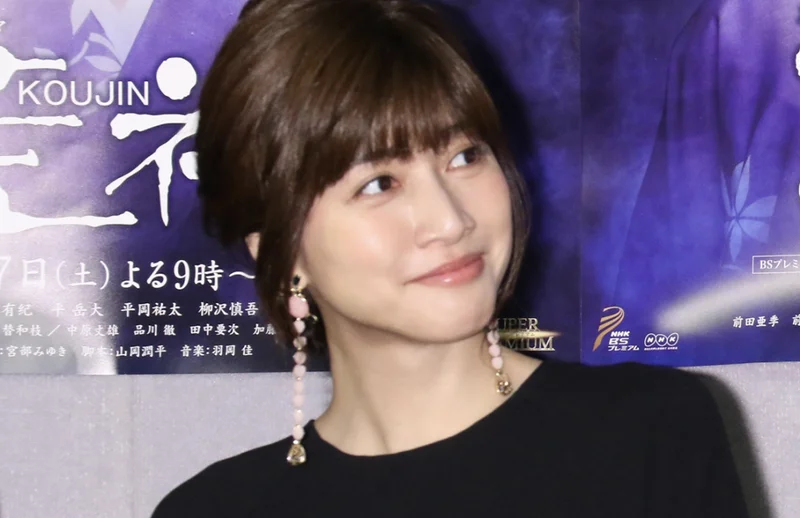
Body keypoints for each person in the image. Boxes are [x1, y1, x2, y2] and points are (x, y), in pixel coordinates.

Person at [152, 0, 750, 516]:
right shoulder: (214, 509)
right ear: (279, 253)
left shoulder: (650, 437)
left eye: (465, 156)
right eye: (379, 184)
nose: (450, 219)